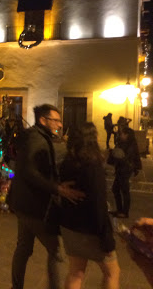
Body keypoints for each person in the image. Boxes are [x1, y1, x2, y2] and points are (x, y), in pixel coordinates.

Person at [7, 104, 85, 289]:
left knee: (23, 249)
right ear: (43, 120)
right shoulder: (37, 140)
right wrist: (58, 189)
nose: (59, 124)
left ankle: (16, 287)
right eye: (56, 120)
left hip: (22, 204)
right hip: (34, 207)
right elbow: (30, 172)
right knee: (56, 253)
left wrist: (56, 183)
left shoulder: (36, 136)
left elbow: (36, 169)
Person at [59, 123, 120, 289]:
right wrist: (106, 236)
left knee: (76, 273)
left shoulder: (67, 162)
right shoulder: (92, 166)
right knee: (112, 272)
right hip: (90, 230)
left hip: (70, 226)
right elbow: (98, 204)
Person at [110, 127, 142, 219]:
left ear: (127, 134)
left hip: (126, 169)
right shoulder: (122, 142)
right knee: (115, 189)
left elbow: (126, 157)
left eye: (122, 134)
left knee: (124, 190)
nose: (120, 135)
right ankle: (119, 210)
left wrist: (118, 154)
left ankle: (125, 212)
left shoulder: (131, 144)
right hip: (120, 168)